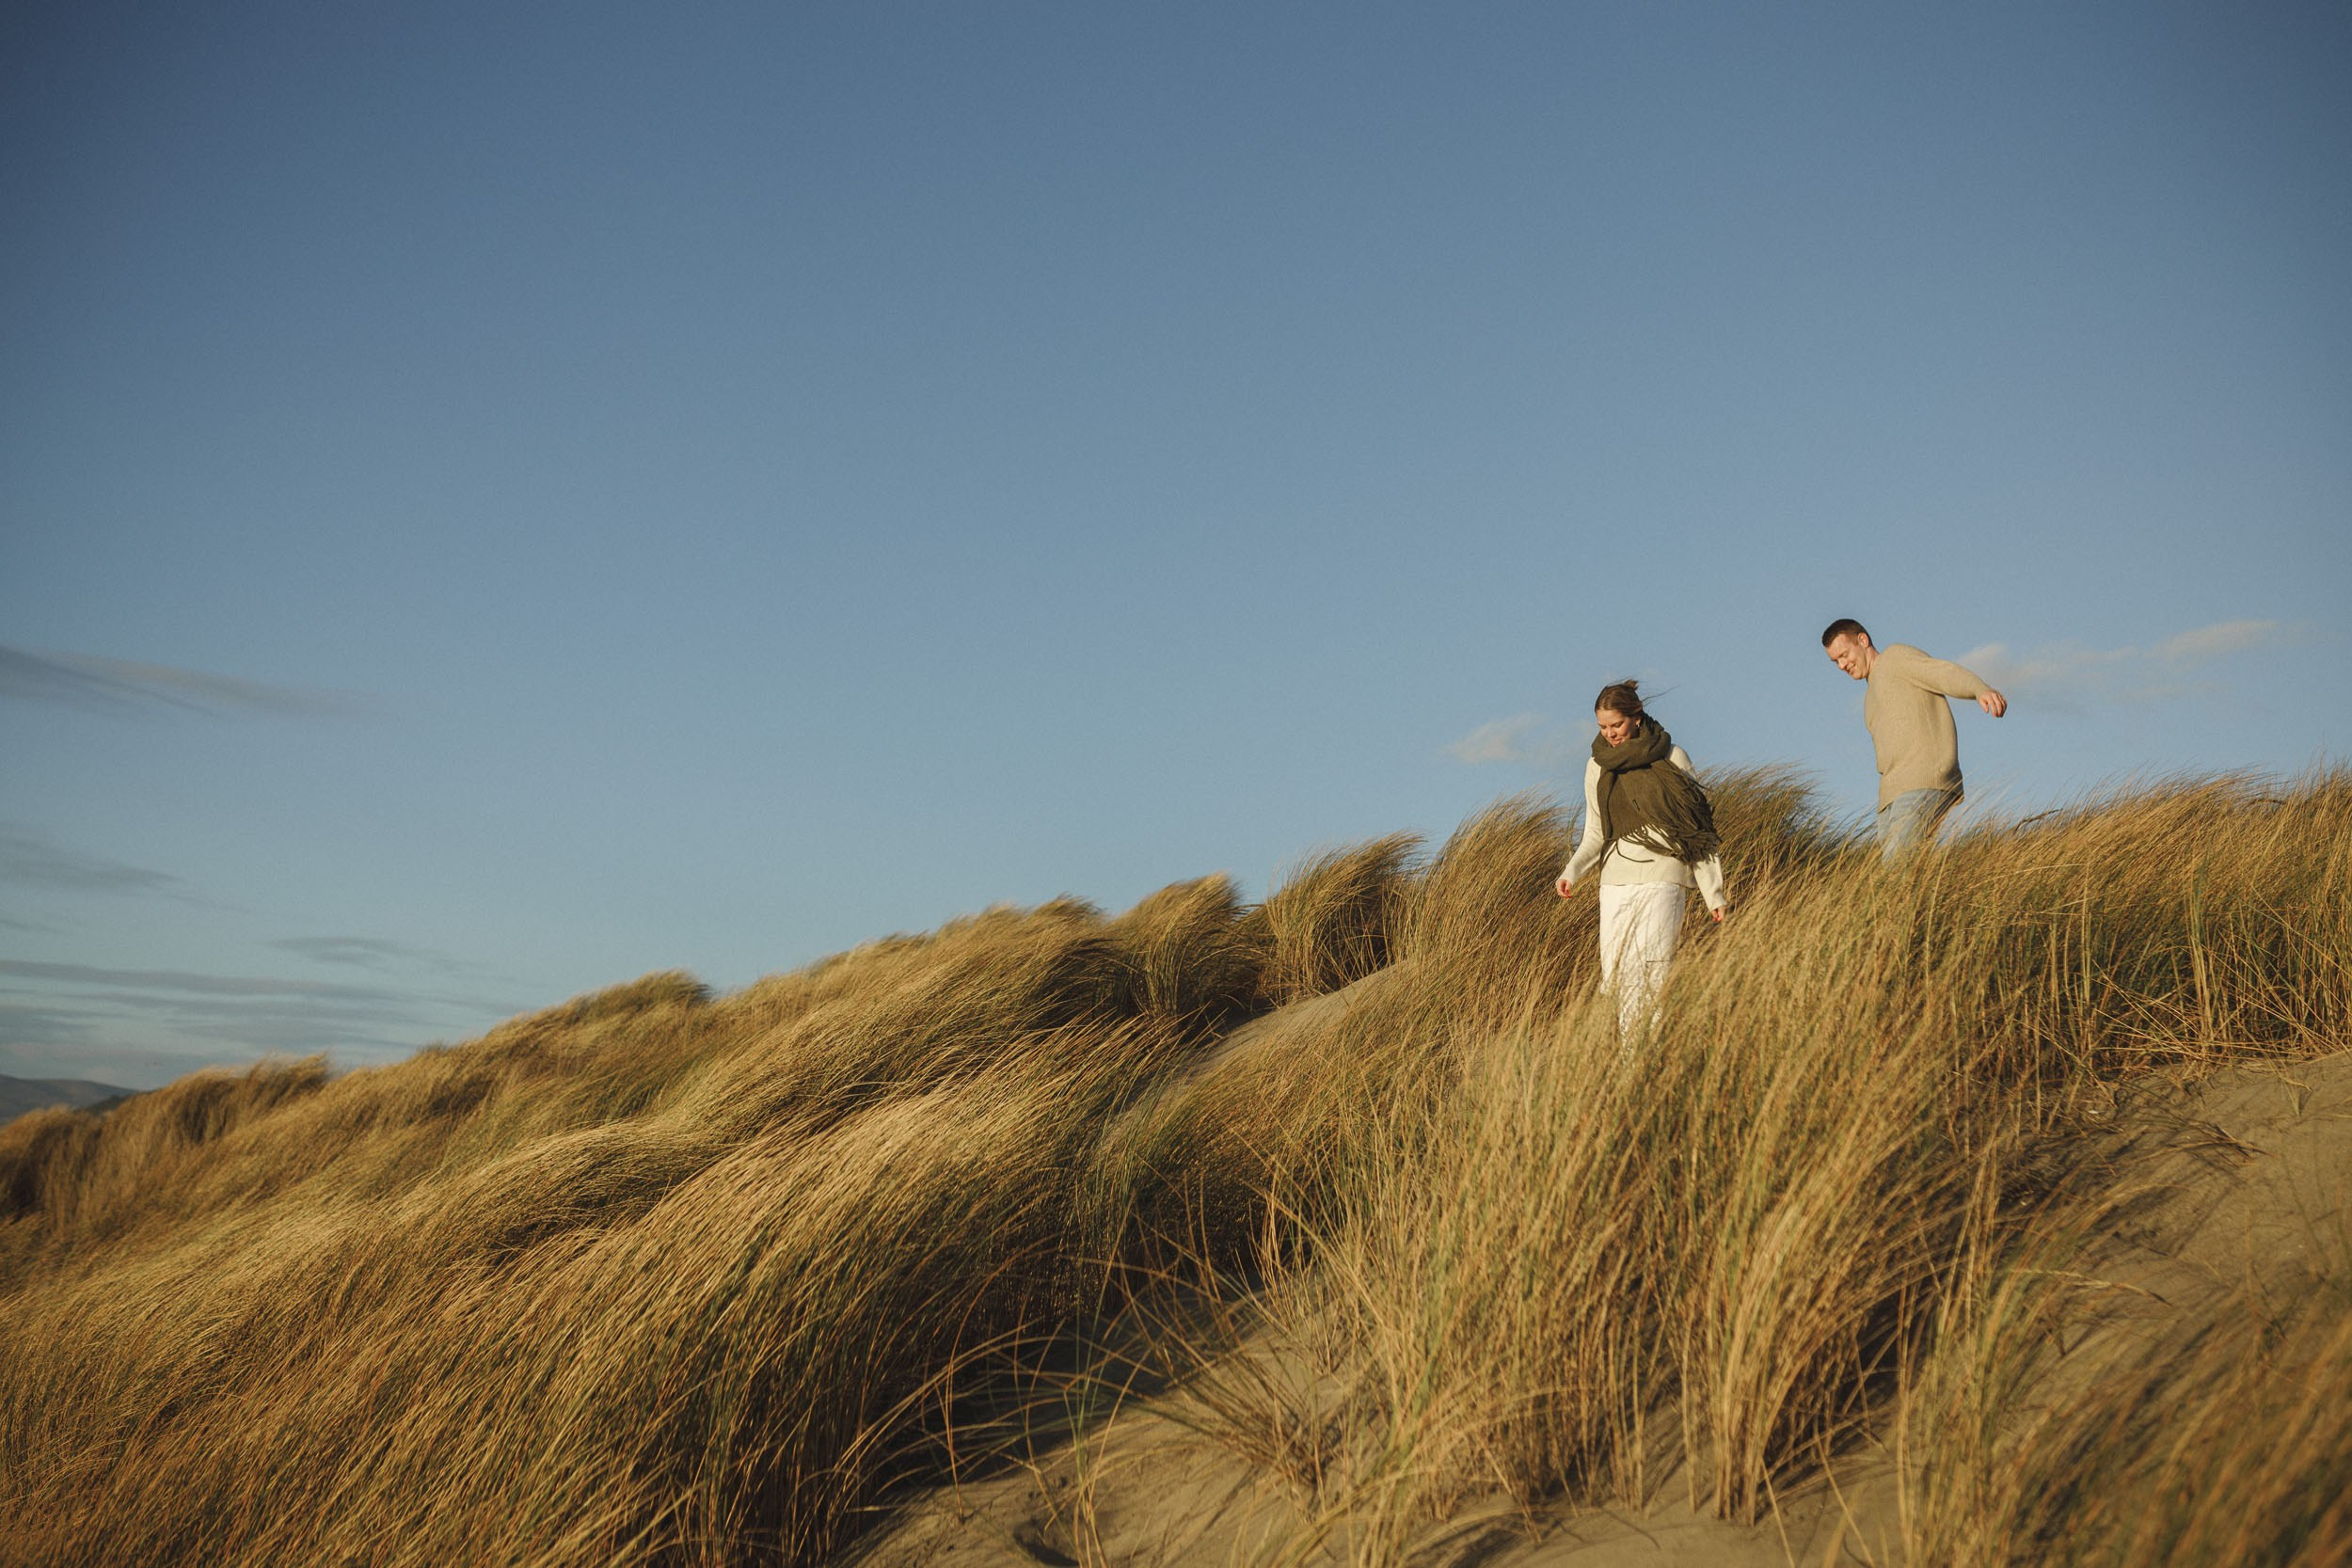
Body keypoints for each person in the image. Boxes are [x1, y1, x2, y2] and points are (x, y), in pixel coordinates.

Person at [1554, 680, 1727, 1039]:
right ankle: (1633, 1061)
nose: (1610, 733)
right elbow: (1595, 833)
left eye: (1616, 724)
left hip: (1662, 879)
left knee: (1652, 972)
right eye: (1603, 726)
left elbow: (1698, 830)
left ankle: (1651, 1053)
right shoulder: (1597, 766)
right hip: (1614, 883)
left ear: (1636, 717)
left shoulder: (1671, 756)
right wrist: (1572, 872)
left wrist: (1714, 893)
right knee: (1619, 977)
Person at [1820, 618, 2008, 859]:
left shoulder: (1895, 658)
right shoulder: (1868, 700)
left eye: (1844, 655)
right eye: (1835, 661)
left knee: (1898, 864)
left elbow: (1942, 673)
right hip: (1890, 796)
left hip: (1922, 779)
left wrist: (1979, 689)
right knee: (1894, 872)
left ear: (1863, 640)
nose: (1842, 665)